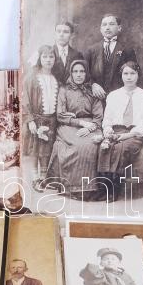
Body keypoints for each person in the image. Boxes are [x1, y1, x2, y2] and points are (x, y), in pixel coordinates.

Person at [46, 59, 104, 199]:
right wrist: (81, 123)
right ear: (71, 73)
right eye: (75, 71)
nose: (79, 74)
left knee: (93, 144)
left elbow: (98, 116)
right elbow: (60, 115)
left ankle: (91, 188)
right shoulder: (64, 90)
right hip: (69, 125)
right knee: (79, 146)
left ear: (86, 73)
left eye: (82, 71)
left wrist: (90, 128)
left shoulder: (92, 90)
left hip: (91, 125)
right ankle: (74, 188)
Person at [97, 61, 143, 200]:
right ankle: (106, 185)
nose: (129, 77)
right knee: (105, 147)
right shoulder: (113, 95)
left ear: (138, 75)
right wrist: (107, 130)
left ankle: (115, 187)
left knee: (121, 147)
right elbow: (107, 118)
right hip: (117, 130)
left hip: (135, 133)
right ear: (121, 75)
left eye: (132, 73)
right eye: (126, 73)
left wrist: (128, 135)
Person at [23, 45, 59, 191]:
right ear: (39, 58)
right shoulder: (32, 77)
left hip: (51, 120)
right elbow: (25, 99)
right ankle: (34, 179)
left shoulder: (55, 78)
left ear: (55, 59)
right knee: (35, 150)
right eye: (45, 57)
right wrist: (30, 120)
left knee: (46, 150)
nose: (48, 60)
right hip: (36, 119)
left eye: (51, 57)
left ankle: (44, 179)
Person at [85, 14, 140, 99]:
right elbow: (84, 73)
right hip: (95, 98)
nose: (107, 27)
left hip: (120, 98)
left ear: (119, 28)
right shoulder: (91, 50)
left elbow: (134, 75)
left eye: (111, 24)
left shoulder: (127, 50)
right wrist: (93, 84)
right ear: (100, 29)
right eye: (104, 25)